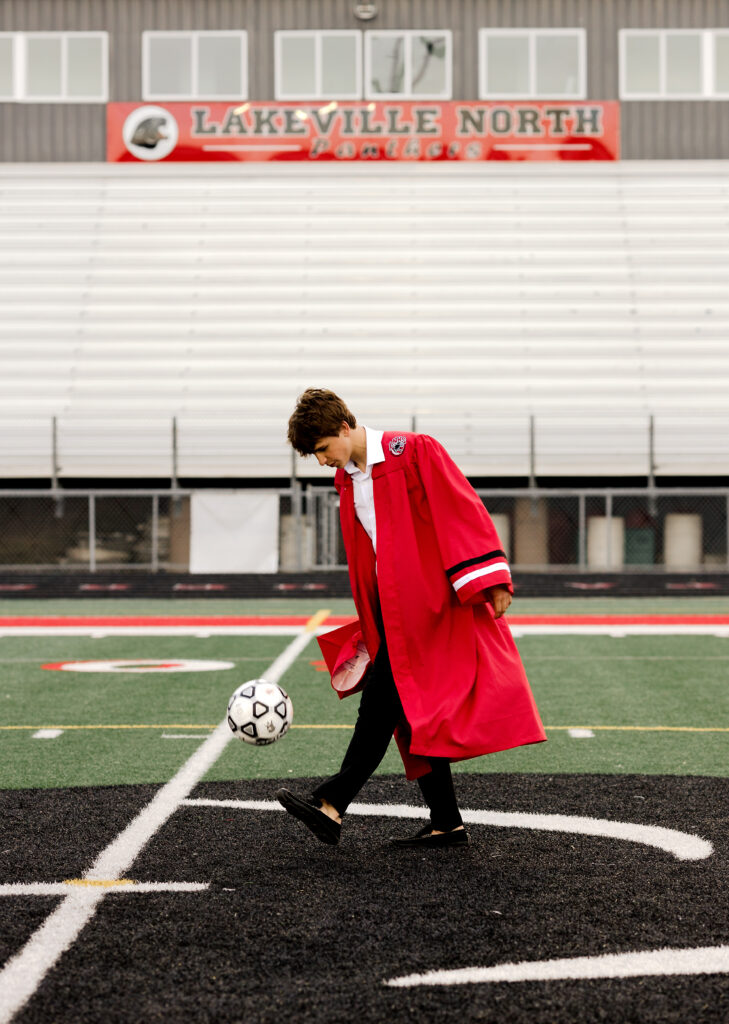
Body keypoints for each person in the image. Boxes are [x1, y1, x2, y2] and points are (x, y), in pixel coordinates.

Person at [277, 388, 546, 848]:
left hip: (427, 605)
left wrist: (492, 578)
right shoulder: (347, 480)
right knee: (409, 710)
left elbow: (461, 509)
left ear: (345, 427)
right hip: (388, 607)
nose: (322, 461)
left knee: (380, 703)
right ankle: (446, 822)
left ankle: (332, 805)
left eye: (323, 449)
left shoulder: (414, 452)